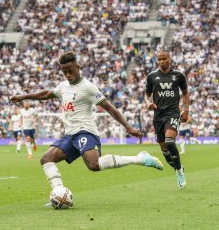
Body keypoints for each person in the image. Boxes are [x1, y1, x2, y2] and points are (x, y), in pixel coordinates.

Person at [10, 52, 163, 205]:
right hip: (70, 135)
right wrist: (24, 97)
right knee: (46, 159)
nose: (68, 75)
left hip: (86, 132)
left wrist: (128, 127)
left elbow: (110, 108)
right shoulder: (63, 87)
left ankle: (139, 158)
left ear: (78, 67)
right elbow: (46, 94)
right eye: (64, 72)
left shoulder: (88, 87)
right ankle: (59, 194)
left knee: (93, 165)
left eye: (71, 71)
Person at [144, 48, 188, 189]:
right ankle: (178, 168)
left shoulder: (178, 76)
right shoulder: (151, 76)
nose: (162, 61)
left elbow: (185, 94)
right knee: (164, 149)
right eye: (159, 59)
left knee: (170, 142)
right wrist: (148, 103)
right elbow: (146, 95)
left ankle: (180, 171)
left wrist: (186, 110)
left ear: (170, 59)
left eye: (164, 59)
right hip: (158, 116)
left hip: (173, 113)